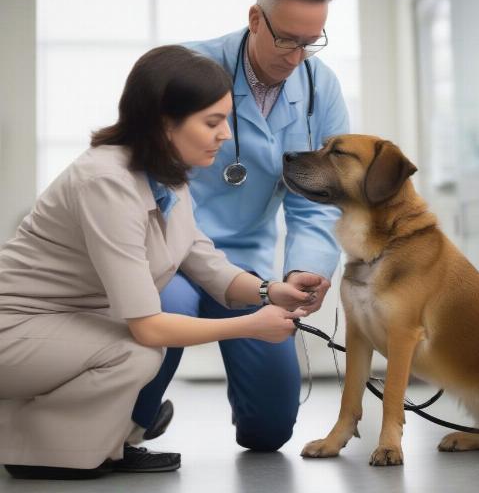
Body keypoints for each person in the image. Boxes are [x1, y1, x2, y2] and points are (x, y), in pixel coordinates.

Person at [0, 45, 312, 480]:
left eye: (226, 119)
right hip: (14, 331)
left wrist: (268, 291)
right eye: (212, 122)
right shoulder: (106, 181)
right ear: (166, 122)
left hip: (63, 323)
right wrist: (250, 324)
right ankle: (40, 446)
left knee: (139, 349)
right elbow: (148, 325)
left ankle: (104, 439)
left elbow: (202, 259)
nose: (225, 135)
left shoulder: (166, 173)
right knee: (137, 351)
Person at [132, 0, 350, 453]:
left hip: (249, 264)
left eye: (310, 41)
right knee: (165, 312)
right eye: (286, 38)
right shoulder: (187, 69)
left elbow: (318, 198)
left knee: (270, 432)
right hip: (176, 254)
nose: (298, 56)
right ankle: (130, 425)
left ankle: (257, 416)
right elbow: (151, 175)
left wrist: (305, 268)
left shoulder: (321, 87)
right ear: (255, 19)